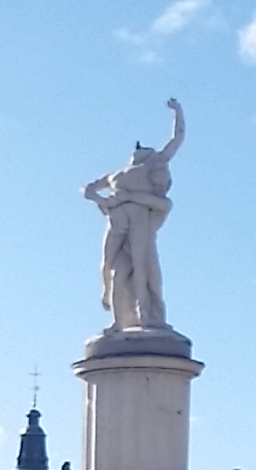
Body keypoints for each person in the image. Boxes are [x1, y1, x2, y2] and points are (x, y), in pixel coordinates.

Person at [81, 100, 185, 332]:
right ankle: (118, 317)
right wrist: (103, 201)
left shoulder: (151, 164)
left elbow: (176, 139)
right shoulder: (114, 175)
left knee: (141, 266)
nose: (140, 148)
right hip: (116, 221)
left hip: (138, 221)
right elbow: (88, 190)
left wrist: (177, 112)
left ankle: (146, 315)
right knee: (109, 266)